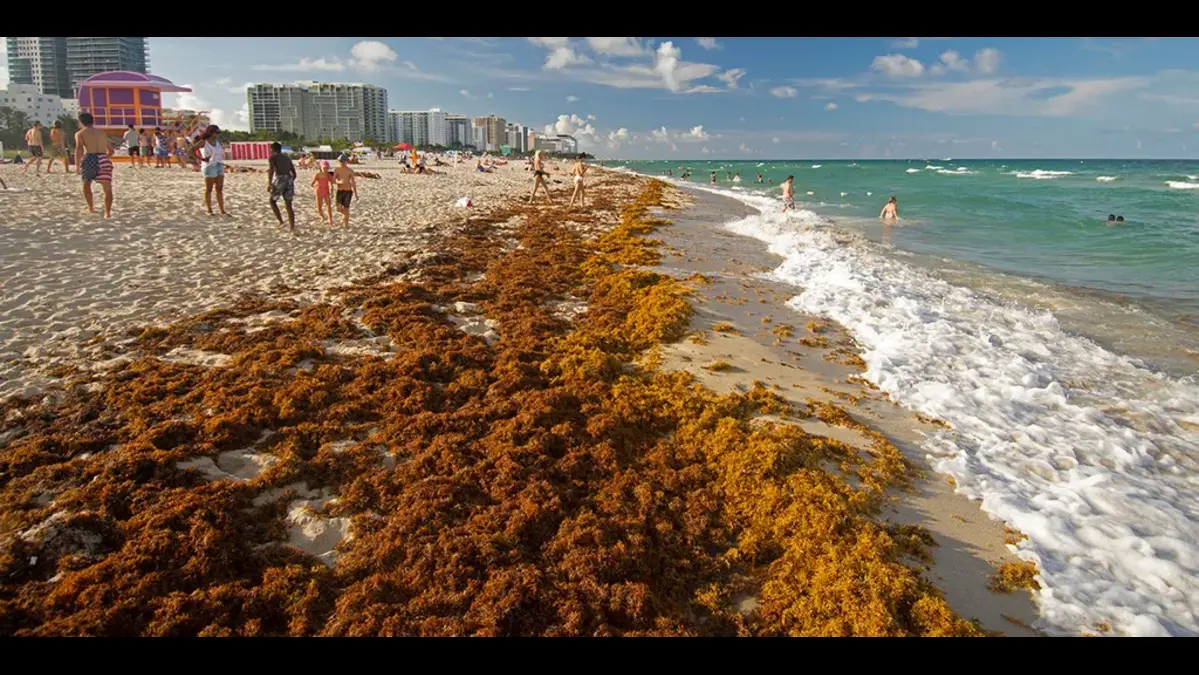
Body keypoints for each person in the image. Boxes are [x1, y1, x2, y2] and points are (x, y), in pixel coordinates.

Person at [74, 112, 114, 218]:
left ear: (81, 122)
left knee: (86, 184)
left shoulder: (80, 133)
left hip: (90, 158)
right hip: (103, 157)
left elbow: (79, 149)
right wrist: (104, 159)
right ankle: (107, 213)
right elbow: (111, 151)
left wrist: (77, 165)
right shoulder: (102, 133)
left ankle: (91, 208)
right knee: (107, 188)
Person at [190, 125, 230, 216]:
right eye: (216, 132)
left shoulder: (217, 142)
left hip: (219, 165)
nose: (217, 135)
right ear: (211, 132)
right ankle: (209, 210)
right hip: (209, 166)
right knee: (209, 189)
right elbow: (190, 151)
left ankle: (222, 210)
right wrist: (201, 158)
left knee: (219, 189)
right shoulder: (203, 142)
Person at [267, 141, 297, 233]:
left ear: (272, 149)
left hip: (280, 178)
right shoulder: (287, 157)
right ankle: (292, 227)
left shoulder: (273, 158)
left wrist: (269, 183)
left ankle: (281, 221)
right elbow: (294, 173)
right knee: (289, 205)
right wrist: (290, 181)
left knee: (272, 201)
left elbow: (271, 170)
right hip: (289, 178)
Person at [332, 154, 357, 227]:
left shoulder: (350, 170)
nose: (342, 163)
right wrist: (338, 182)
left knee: (346, 208)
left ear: (346, 162)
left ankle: (346, 223)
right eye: (340, 162)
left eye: (343, 162)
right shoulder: (337, 170)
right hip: (340, 190)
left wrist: (356, 194)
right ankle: (345, 217)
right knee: (338, 208)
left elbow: (353, 182)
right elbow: (333, 180)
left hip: (348, 191)